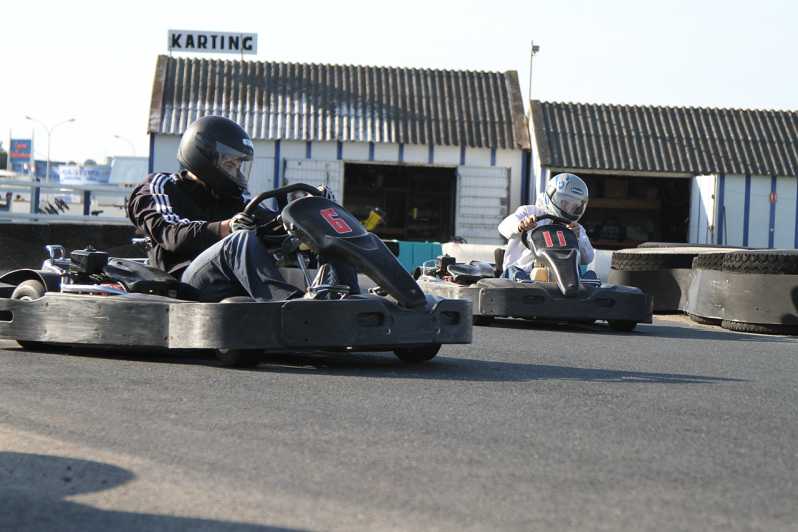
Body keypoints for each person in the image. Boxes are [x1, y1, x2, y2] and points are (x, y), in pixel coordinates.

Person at [127, 115, 358, 302]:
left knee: (328, 231)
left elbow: (271, 227)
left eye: (238, 165)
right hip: (186, 282)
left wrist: (310, 214)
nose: (235, 171)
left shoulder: (234, 196)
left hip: (233, 280)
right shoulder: (160, 186)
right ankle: (286, 305)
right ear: (203, 156)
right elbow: (171, 234)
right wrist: (227, 228)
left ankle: (349, 299)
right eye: (229, 163)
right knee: (240, 239)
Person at [497, 172, 595, 281]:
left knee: (588, 276)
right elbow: (503, 227)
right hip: (523, 274)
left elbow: (588, 258)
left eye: (574, 206)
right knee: (513, 272)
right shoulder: (529, 212)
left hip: (561, 278)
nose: (569, 208)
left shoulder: (575, 228)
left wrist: (577, 238)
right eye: (565, 202)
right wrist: (521, 226)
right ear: (552, 195)